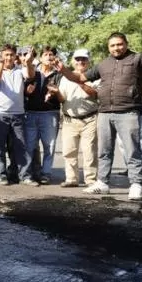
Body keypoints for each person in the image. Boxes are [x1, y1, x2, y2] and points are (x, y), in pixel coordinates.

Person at [62, 24, 142, 200]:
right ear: (108, 47)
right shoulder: (103, 64)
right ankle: (102, 183)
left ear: (126, 44)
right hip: (104, 113)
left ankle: (135, 185)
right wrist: (63, 70)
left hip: (128, 113)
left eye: (119, 44)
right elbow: (80, 77)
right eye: (112, 45)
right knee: (104, 151)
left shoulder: (137, 59)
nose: (116, 48)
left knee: (133, 150)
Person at [52, 49, 100, 187]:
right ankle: (72, 179)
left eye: (83, 59)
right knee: (69, 151)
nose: (80, 62)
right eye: (78, 59)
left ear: (88, 61)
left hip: (89, 119)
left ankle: (91, 180)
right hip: (69, 119)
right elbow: (63, 99)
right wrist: (56, 93)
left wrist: (78, 80)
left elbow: (95, 94)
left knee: (89, 151)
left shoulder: (94, 76)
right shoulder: (64, 78)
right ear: (73, 61)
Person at [0, 45, 32, 186]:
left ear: (15, 56)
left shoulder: (21, 70)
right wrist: (1, 65)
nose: (9, 57)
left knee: (20, 147)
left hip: (18, 114)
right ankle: (1, 175)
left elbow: (30, 75)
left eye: (11, 55)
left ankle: (24, 175)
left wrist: (29, 62)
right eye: (6, 55)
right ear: (1, 56)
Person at [23, 46, 64, 184]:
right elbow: (26, 87)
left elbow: (62, 96)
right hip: (31, 113)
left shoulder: (59, 74)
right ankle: (28, 174)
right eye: (45, 54)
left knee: (49, 146)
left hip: (50, 114)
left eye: (51, 54)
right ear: (40, 58)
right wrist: (28, 92)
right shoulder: (34, 71)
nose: (48, 57)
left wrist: (55, 92)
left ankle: (45, 173)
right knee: (29, 146)